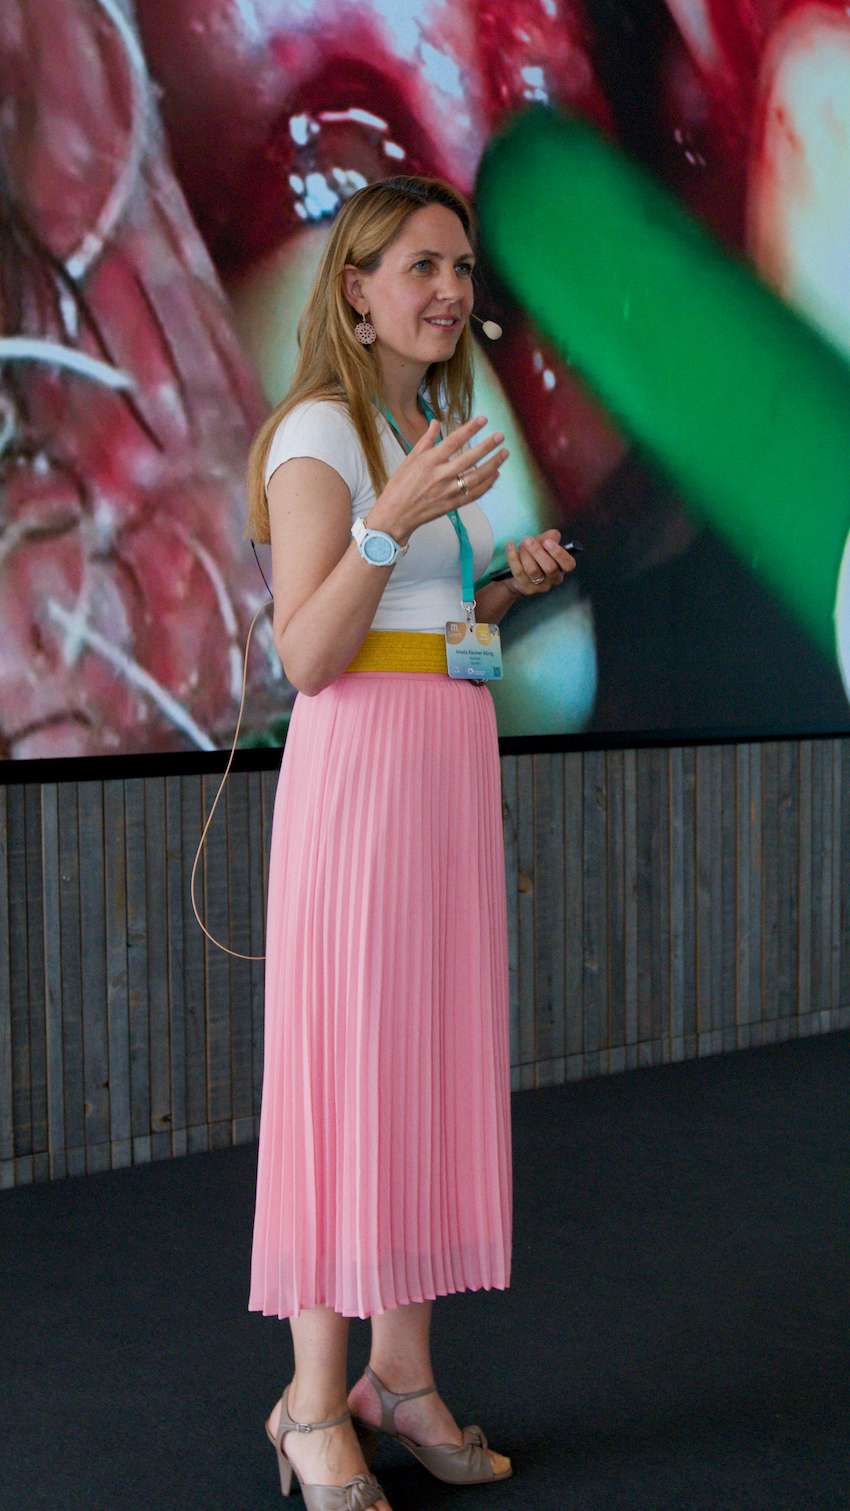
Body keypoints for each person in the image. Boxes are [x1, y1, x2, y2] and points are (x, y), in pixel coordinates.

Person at [245, 175, 575, 1511]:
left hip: (439, 778)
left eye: (462, 267)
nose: (451, 290)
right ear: (357, 291)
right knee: (350, 1078)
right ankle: (312, 1405)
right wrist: (392, 516)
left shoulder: (419, 429)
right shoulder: (320, 434)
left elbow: (427, 634)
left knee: (424, 1072)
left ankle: (404, 1378)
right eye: (422, 266)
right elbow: (308, 653)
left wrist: (497, 585)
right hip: (363, 791)